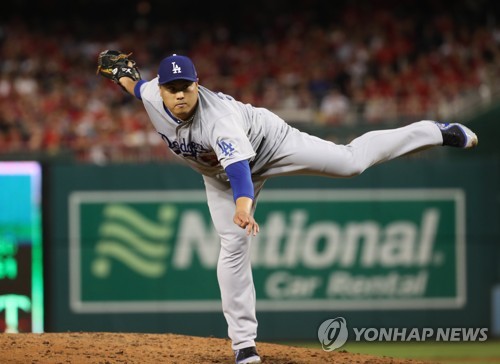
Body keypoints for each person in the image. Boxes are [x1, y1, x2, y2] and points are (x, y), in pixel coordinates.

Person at [97, 50, 478, 364]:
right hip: (216, 177)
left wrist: (243, 207)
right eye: (171, 88)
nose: (179, 95)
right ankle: (244, 347)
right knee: (232, 248)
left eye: (186, 87)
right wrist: (122, 77)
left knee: (350, 163)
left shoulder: (220, 120)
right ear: (161, 90)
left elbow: (240, 173)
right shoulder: (152, 97)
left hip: (270, 145)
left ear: (198, 85)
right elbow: (136, 85)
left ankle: (434, 131)